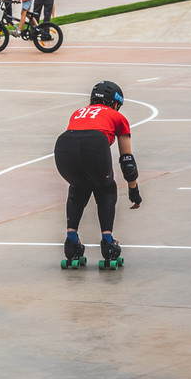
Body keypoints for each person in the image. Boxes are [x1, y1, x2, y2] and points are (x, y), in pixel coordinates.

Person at [55, 80, 142, 269]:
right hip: (95, 144)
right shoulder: (117, 116)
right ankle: (108, 242)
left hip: (64, 146)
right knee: (106, 189)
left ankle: (71, 242)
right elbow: (127, 161)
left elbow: (79, 138)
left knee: (78, 189)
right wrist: (133, 190)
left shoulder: (78, 112)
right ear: (116, 103)